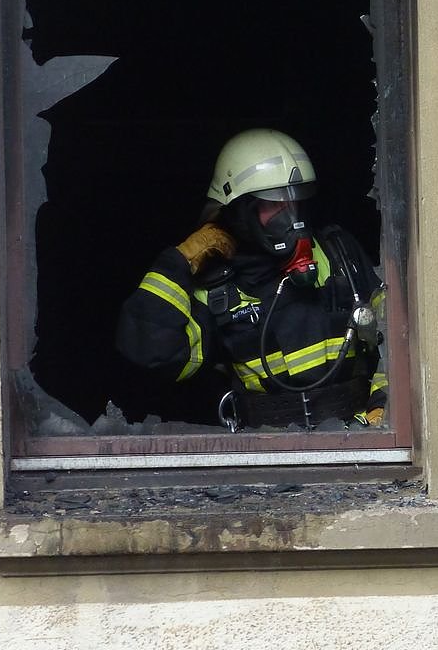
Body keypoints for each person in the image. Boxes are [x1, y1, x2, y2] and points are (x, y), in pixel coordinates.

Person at [116, 127, 387, 430]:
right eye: (272, 204)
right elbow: (152, 353)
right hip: (265, 446)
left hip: (356, 437)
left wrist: (386, 408)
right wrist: (178, 263)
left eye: (293, 202)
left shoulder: (339, 254)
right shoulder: (216, 289)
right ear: (239, 213)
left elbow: (401, 336)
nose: (290, 217)